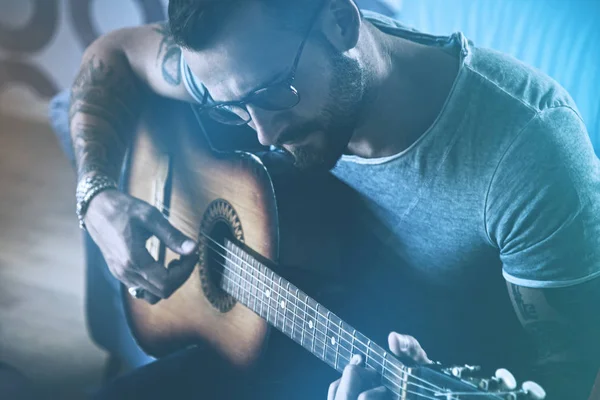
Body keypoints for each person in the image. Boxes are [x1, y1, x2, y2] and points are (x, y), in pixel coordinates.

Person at [68, 0, 600, 398]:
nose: (263, 134)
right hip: (279, 331)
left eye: (274, 94)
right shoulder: (242, 64)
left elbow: (574, 373)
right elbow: (109, 55)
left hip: (413, 366)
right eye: (230, 108)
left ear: (341, 24)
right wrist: (95, 197)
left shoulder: (530, 151)